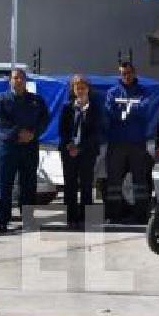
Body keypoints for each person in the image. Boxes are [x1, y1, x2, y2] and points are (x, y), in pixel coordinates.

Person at [0, 68, 50, 233]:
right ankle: (2, 221)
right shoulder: (0, 99)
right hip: (7, 148)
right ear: (10, 81)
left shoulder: (36, 100)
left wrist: (33, 134)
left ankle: (28, 220)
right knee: (4, 185)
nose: (18, 81)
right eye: (15, 78)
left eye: (21, 78)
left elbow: (45, 119)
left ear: (25, 80)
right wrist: (18, 133)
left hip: (30, 147)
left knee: (29, 185)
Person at [104, 61, 153, 224]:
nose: (126, 76)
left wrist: (125, 111)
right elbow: (110, 111)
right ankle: (114, 215)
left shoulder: (143, 92)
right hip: (116, 142)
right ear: (120, 74)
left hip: (137, 142)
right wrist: (129, 111)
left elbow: (145, 109)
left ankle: (141, 215)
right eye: (123, 73)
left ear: (134, 73)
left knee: (139, 180)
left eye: (129, 73)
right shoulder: (113, 92)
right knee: (114, 181)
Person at [58, 75, 105, 229]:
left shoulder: (95, 108)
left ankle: (86, 219)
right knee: (70, 185)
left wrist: (80, 147)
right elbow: (62, 130)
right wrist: (70, 146)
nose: (80, 90)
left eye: (83, 87)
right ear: (73, 90)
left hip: (87, 152)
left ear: (88, 89)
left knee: (86, 185)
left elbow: (96, 133)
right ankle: (71, 218)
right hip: (68, 152)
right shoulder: (67, 107)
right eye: (77, 88)